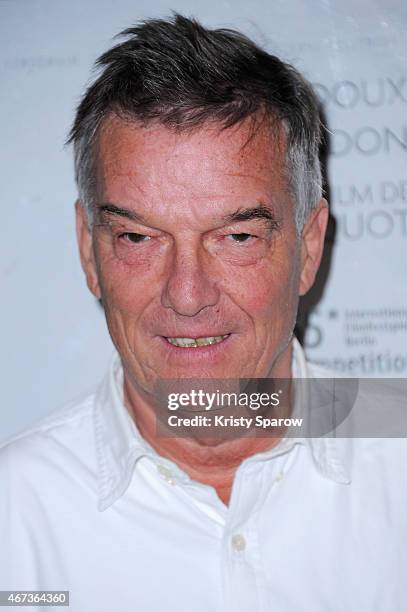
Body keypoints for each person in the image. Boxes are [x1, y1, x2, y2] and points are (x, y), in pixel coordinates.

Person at [0, 13, 405, 612]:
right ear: (90, 250)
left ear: (308, 246)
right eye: (139, 237)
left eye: (237, 237)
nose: (187, 295)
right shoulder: (15, 515)